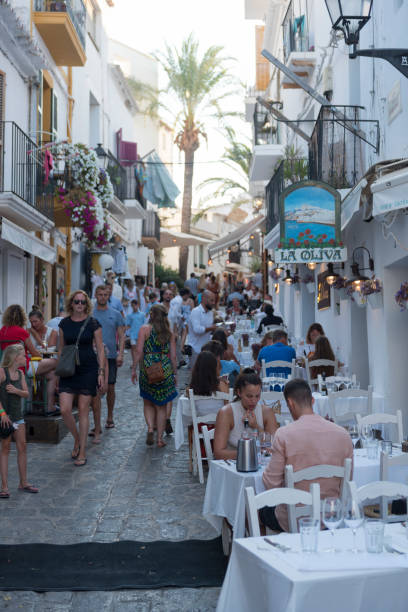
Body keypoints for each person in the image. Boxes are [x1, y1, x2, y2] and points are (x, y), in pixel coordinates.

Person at [261, 378, 353, 532]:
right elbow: (348, 480)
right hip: (331, 515)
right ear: (312, 401)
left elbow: (272, 484)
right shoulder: (343, 434)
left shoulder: (284, 434)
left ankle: (268, 553)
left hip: (295, 519)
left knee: (258, 509)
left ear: (290, 403)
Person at [58, 290, 105, 467]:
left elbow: (100, 349)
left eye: (83, 302)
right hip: (69, 370)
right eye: (76, 301)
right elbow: (61, 349)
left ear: (87, 304)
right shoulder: (64, 323)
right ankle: (77, 439)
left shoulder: (93, 323)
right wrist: (58, 372)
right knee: (64, 409)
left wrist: (101, 372)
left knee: (84, 409)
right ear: (71, 303)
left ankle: (83, 452)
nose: (79, 305)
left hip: (88, 369)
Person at [131, 305, 177, 447]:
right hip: (164, 369)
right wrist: (175, 373)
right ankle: (159, 440)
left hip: (147, 368)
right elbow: (174, 356)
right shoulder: (169, 332)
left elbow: (138, 351)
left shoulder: (144, 329)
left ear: (151, 315)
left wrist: (133, 369)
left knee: (148, 402)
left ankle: (151, 428)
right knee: (162, 406)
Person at [0, 305, 57, 415]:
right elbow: (36, 353)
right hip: (23, 367)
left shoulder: (2, 331)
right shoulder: (21, 331)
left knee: (52, 374)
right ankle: (49, 406)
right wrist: (35, 353)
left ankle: (44, 405)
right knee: (55, 362)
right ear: (22, 317)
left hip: (6, 368)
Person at [213, 370, 278, 460]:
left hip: (260, 464)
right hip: (233, 464)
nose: (254, 401)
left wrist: (256, 427)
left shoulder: (267, 412)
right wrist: (249, 453)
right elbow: (219, 453)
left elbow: (273, 448)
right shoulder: (227, 413)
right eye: (249, 396)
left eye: (257, 396)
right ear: (239, 393)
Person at [0, 344, 38, 497]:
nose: (26, 358)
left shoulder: (21, 374)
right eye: (23, 356)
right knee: (5, 448)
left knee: (22, 447)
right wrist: (2, 413)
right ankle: (4, 486)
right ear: (15, 357)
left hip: (18, 417)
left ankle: (23, 482)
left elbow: (26, 394)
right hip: (5, 417)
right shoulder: (2, 373)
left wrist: (16, 391)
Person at [92, 285, 125, 430]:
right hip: (93, 356)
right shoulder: (90, 313)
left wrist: (121, 353)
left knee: (110, 386)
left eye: (105, 295)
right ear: (96, 295)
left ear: (109, 296)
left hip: (110, 356)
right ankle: (96, 423)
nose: (103, 297)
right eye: (100, 294)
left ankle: (110, 416)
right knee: (95, 389)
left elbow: (122, 335)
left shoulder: (116, 314)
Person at [28, 310, 59, 415]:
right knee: (54, 368)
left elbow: (48, 351)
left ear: (42, 320)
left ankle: (47, 406)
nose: (33, 324)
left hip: (42, 363)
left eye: (36, 321)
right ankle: (48, 406)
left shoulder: (53, 332)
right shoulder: (28, 332)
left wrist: (36, 336)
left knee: (52, 374)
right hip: (33, 364)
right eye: (31, 322)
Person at [187, 290, 217, 367]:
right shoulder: (196, 311)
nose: (213, 303)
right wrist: (212, 328)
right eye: (211, 300)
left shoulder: (210, 312)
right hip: (195, 349)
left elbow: (209, 329)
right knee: (195, 375)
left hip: (206, 349)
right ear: (203, 299)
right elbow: (197, 330)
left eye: (214, 300)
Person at [179, 288, 195, 359]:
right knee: (185, 333)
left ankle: (182, 347)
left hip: (182, 318)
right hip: (188, 318)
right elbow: (192, 310)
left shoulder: (180, 301)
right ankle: (182, 347)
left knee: (183, 333)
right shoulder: (190, 301)